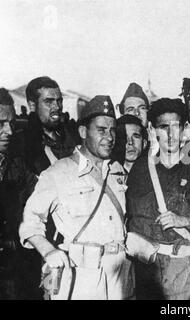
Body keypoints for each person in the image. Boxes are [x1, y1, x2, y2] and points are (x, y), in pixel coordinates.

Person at [19, 95, 134, 300]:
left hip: (121, 276)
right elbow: (30, 223)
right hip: (81, 279)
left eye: (112, 130)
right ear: (82, 132)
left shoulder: (118, 171)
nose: (109, 137)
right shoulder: (58, 173)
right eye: (101, 130)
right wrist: (48, 252)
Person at [126, 98, 190, 300]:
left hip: (186, 269)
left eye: (176, 127)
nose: (170, 135)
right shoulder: (140, 170)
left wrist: (184, 221)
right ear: (152, 130)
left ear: (185, 129)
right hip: (147, 271)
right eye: (163, 127)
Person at [0, 88, 39, 299]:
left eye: (12, 123)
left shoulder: (17, 164)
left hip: (13, 271)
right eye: (0, 123)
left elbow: (38, 194)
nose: (9, 131)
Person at [24, 76, 80, 176]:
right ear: (32, 105)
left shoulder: (73, 134)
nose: (57, 107)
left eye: (59, 101)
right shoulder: (24, 144)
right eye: (48, 101)